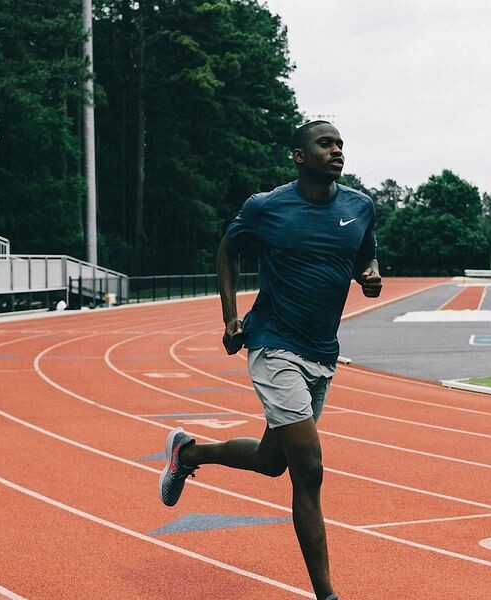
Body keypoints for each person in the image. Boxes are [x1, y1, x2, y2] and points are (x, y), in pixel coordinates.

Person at [157, 120, 380, 600]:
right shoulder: (267, 207)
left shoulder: (360, 207)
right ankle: (327, 596)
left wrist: (369, 275)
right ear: (299, 155)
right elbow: (227, 251)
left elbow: (366, 254)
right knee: (309, 470)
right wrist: (230, 317)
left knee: (271, 461)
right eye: (325, 144)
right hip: (274, 345)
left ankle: (188, 453)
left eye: (340, 144)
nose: (336, 150)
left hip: (323, 351)